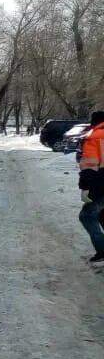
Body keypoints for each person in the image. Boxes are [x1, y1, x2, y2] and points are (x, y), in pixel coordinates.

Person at [77, 111, 104, 263]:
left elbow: (89, 165)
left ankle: (102, 249)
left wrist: (85, 187)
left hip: (100, 184)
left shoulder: (94, 137)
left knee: (86, 216)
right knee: (102, 214)